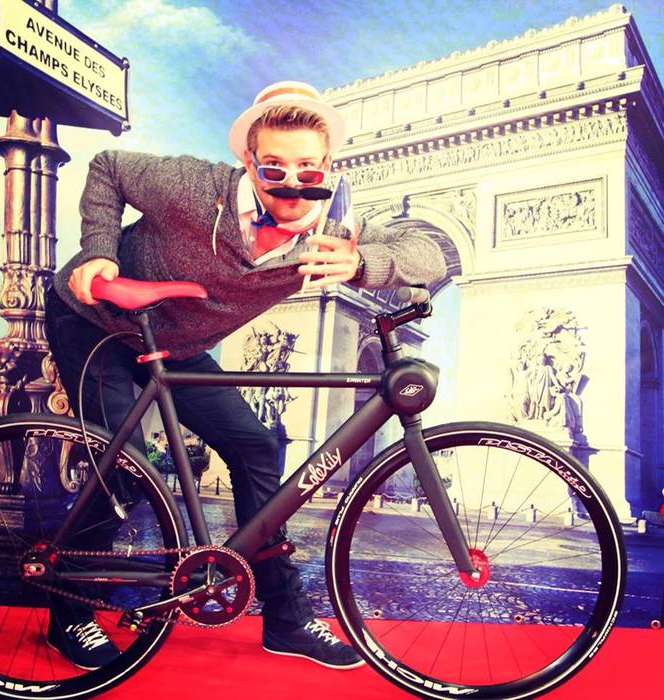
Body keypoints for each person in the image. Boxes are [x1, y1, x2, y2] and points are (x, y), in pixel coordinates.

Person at [44, 80, 447, 671]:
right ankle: (69, 614)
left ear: (329, 165)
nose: (292, 183)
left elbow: (429, 253)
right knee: (122, 465)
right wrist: (98, 250)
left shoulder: (336, 228)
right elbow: (108, 166)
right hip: (95, 320)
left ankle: (285, 618)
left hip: (175, 343)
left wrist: (365, 261)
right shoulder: (195, 186)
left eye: (308, 168)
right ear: (249, 162)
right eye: (274, 168)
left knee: (256, 448)